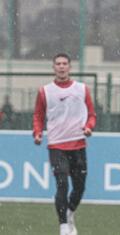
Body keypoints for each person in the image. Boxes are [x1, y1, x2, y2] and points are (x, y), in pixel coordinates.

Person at [33, 53, 96, 235]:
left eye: (64, 63)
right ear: (53, 67)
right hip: (57, 145)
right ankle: (63, 226)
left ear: (70, 67)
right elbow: (38, 115)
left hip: (78, 144)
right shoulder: (45, 91)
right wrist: (37, 133)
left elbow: (91, 114)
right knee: (62, 184)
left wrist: (89, 127)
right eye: (58, 64)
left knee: (79, 187)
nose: (61, 67)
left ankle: (69, 213)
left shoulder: (82, 89)